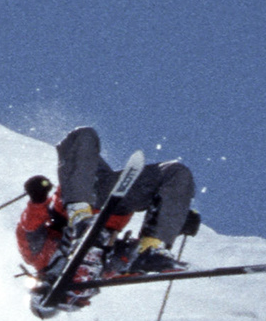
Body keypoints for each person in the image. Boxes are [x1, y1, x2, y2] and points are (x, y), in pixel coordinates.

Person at [22, 126, 204, 308]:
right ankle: (151, 247)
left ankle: (80, 218)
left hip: (81, 195)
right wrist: (173, 218)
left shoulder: (39, 257)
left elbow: (29, 228)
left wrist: (37, 199)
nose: (86, 278)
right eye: (83, 294)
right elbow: (126, 263)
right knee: (176, 172)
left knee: (82, 136)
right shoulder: (104, 270)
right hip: (114, 205)